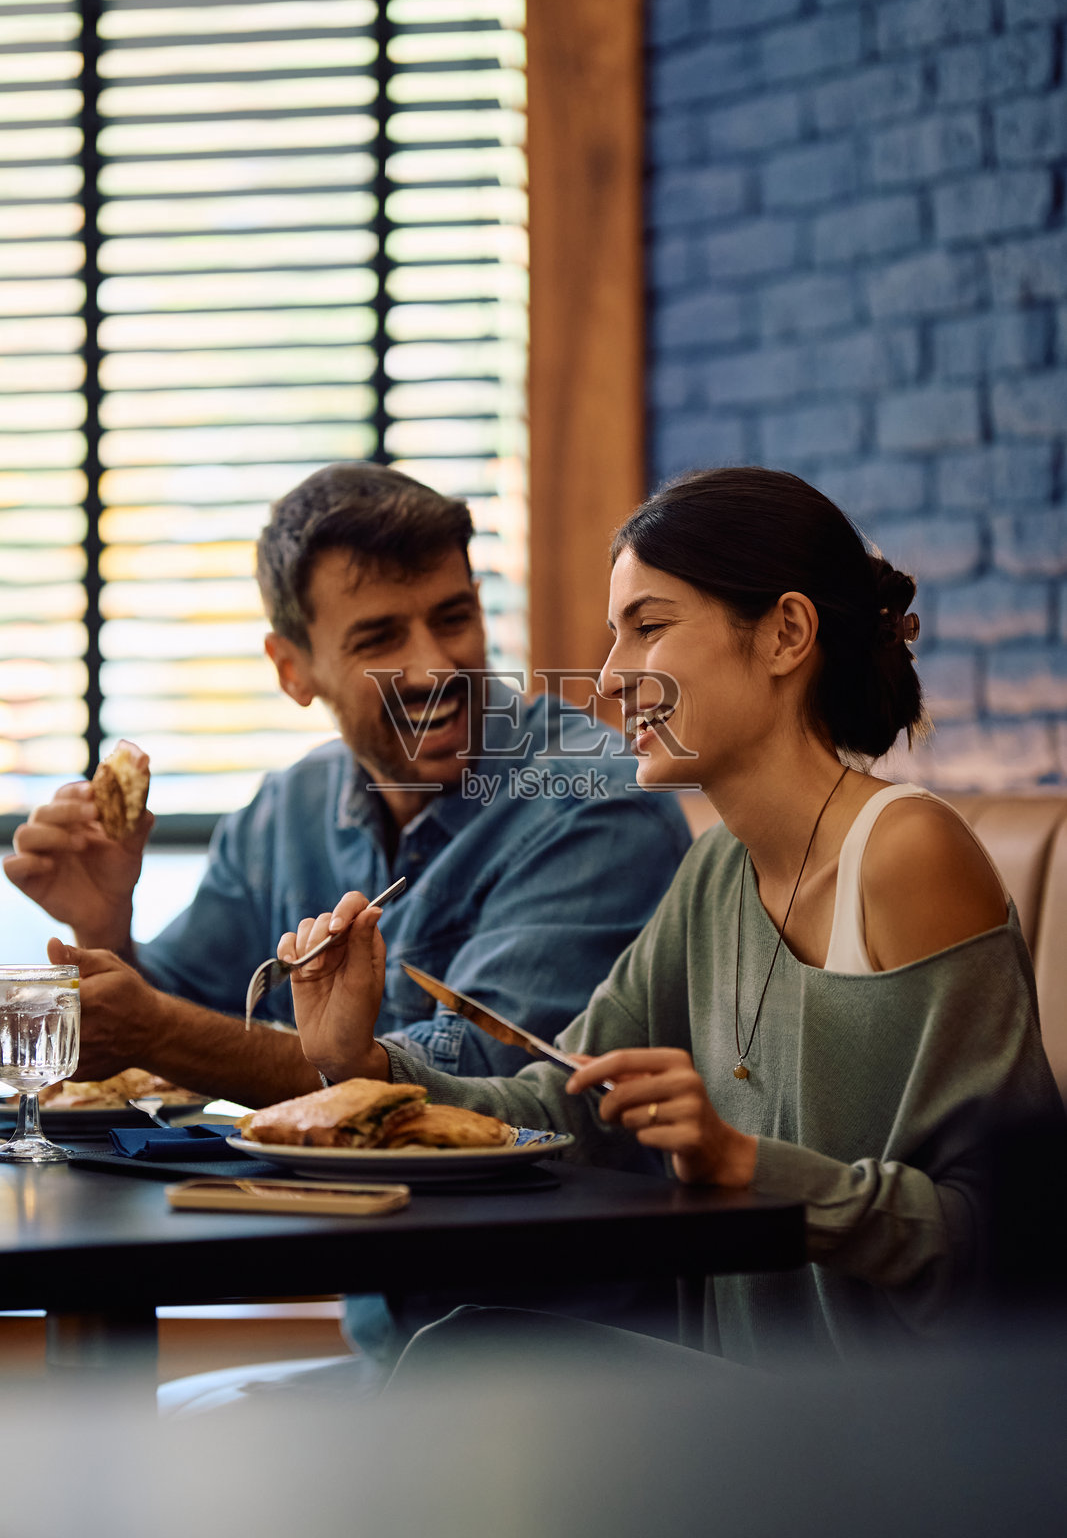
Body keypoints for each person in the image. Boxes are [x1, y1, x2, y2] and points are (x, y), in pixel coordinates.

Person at [285, 466, 1065, 1364]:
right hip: (745, 1416)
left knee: (471, 1362)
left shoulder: (905, 855)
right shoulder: (714, 874)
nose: (609, 681)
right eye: (611, 639)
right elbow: (561, 1103)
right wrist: (360, 1064)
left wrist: (744, 1164)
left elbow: (1002, 1243)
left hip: (904, 1440)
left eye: (647, 629)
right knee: (468, 1351)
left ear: (784, 633)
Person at [3, 463, 690, 1110]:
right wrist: (105, 925)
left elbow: (479, 1079)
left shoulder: (594, 803)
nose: (432, 668)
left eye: (453, 619)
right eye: (379, 639)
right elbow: (163, 1021)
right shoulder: (285, 813)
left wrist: (159, 1032)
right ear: (292, 670)